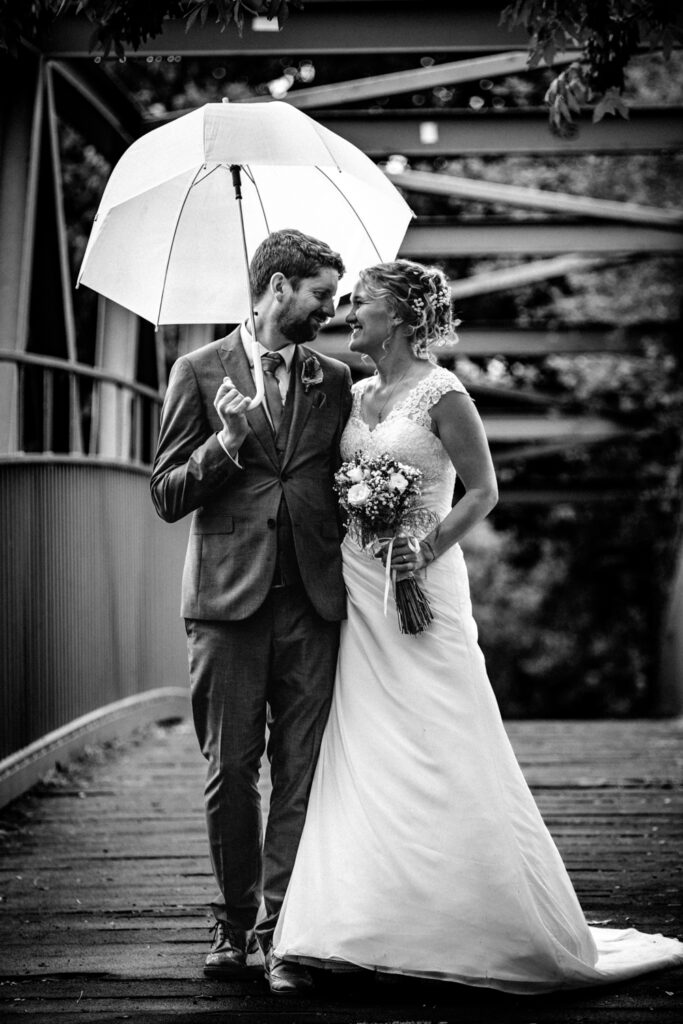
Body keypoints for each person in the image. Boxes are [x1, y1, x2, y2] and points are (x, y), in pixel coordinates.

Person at [273, 259, 683, 992]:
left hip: (419, 582)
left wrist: (422, 547)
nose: (347, 311)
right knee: (362, 742)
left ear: (397, 315)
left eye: (359, 302)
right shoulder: (357, 392)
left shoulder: (444, 393)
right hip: (359, 587)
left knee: (440, 732)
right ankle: (343, 925)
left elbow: (484, 490)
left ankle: (473, 918)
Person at [150, 229, 352, 995]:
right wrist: (227, 442)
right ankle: (231, 923)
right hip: (226, 605)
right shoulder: (196, 371)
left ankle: (280, 925)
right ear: (275, 288)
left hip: (312, 598)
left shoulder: (335, 379)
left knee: (299, 770)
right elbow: (167, 493)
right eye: (318, 295)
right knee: (229, 772)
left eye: (333, 298)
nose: (329, 309)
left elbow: (346, 473)